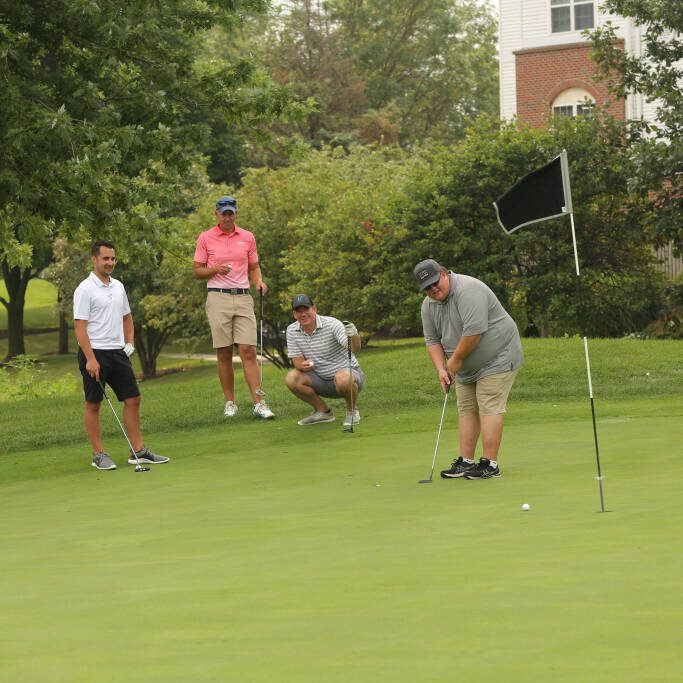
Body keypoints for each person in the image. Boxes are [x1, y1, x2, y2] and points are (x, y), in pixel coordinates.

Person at [414, 259, 523, 480]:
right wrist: (441, 369)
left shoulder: (468, 290)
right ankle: (466, 462)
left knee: (488, 404)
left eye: (435, 282)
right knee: (466, 407)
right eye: (427, 288)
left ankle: (490, 465)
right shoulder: (428, 305)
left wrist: (454, 361)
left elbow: (474, 332)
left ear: (444, 274)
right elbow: (432, 340)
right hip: (465, 365)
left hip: (498, 355)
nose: (433, 289)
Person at [73, 240, 169, 470]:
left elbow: (127, 317)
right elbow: (79, 327)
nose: (110, 263)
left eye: (113, 259)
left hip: (118, 352)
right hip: (94, 353)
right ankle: (98, 454)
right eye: (105, 258)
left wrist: (130, 343)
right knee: (93, 403)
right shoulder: (85, 289)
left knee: (133, 398)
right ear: (94, 259)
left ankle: (137, 451)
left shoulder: (118, 286)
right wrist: (91, 359)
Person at [193, 195, 275, 419]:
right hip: (217, 297)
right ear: (217, 214)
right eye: (223, 213)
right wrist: (215, 269)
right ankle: (230, 402)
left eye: (231, 213)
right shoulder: (205, 238)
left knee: (248, 350)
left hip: (242, 297)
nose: (227, 217)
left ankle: (259, 403)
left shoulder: (247, 237)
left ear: (236, 214)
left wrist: (258, 282)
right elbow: (197, 271)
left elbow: (254, 267)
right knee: (224, 351)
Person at [285, 294, 365, 427]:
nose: (303, 314)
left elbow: (354, 349)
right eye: (299, 311)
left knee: (343, 378)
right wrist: (302, 366)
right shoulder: (292, 330)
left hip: (349, 377)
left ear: (314, 309)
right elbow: (297, 362)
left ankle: (352, 411)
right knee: (291, 378)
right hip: (321, 380)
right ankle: (324, 412)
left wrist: (354, 336)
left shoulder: (332, 324)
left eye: (306, 309)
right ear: (294, 314)